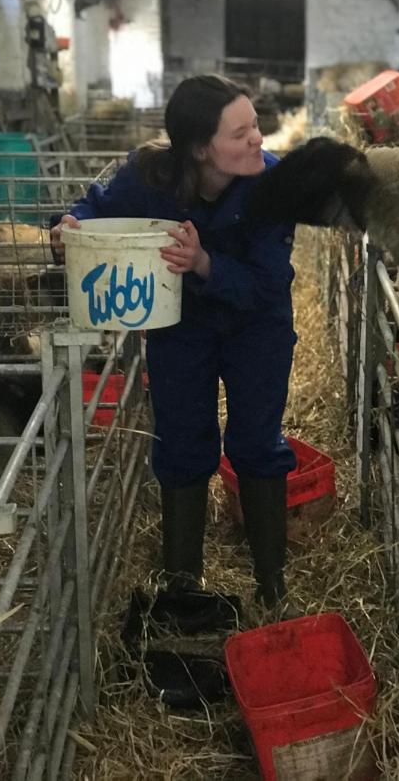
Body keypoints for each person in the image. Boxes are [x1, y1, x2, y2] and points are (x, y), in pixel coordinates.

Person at [50, 75, 297, 609]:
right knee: (182, 440)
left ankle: (271, 583)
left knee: (256, 441)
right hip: (182, 323)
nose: (258, 138)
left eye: (255, 124)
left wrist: (205, 262)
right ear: (200, 149)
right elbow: (97, 206)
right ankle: (183, 585)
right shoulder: (151, 175)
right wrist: (70, 223)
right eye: (241, 132)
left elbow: (269, 283)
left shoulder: (272, 184)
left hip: (257, 323)